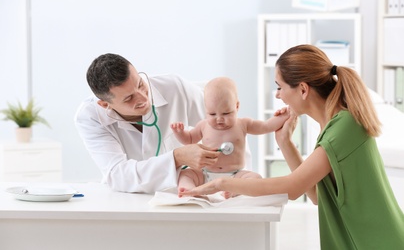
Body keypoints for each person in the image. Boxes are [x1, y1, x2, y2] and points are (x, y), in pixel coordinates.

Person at [179, 45, 404, 249]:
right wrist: (284, 142)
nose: (278, 95)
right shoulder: (333, 126)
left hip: (376, 241)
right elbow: (316, 195)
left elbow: (293, 187)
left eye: (280, 87)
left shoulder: (344, 127)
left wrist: (221, 182)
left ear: (303, 90)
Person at [74, 53, 227, 193]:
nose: (142, 98)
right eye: (128, 98)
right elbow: (118, 176)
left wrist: (234, 179)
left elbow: (228, 129)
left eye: (140, 84)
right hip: (128, 199)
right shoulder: (90, 117)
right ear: (105, 104)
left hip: (187, 190)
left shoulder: (175, 87)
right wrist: (177, 158)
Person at [171, 77, 289, 198]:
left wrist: (283, 116)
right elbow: (189, 140)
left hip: (235, 176)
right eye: (212, 114)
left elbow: (265, 126)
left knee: (255, 178)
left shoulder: (243, 124)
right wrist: (180, 132)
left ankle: (234, 190)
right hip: (206, 174)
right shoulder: (203, 125)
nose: (219, 119)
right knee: (186, 174)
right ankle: (189, 190)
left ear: (237, 106)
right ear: (206, 109)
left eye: (226, 113)